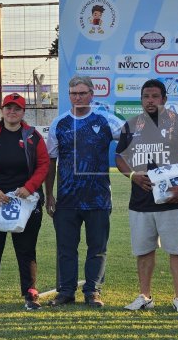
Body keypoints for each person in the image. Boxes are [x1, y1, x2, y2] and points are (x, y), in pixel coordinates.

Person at [115, 79, 178, 314]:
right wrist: (132, 176)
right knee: (143, 250)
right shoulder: (131, 125)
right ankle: (145, 296)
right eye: (145, 97)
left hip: (174, 199)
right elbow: (119, 157)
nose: (149, 101)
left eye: (154, 96)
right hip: (141, 201)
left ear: (164, 99)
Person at [45, 76, 124, 308]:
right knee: (66, 248)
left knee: (97, 248)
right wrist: (49, 194)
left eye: (82, 93)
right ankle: (66, 291)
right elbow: (50, 161)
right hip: (67, 198)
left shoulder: (107, 120)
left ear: (92, 94)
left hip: (98, 198)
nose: (77, 98)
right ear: (69, 95)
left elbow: (133, 138)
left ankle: (93, 291)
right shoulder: (59, 124)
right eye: (73, 93)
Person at [0, 93, 49, 310]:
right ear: (2, 110)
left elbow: (43, 164)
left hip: (25, 201)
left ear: (23, 112)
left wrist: (29, 187)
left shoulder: (33, 136)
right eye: (8, 108)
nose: (12, 112)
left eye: (17, 109)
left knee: (26, 251)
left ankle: (30, 295)